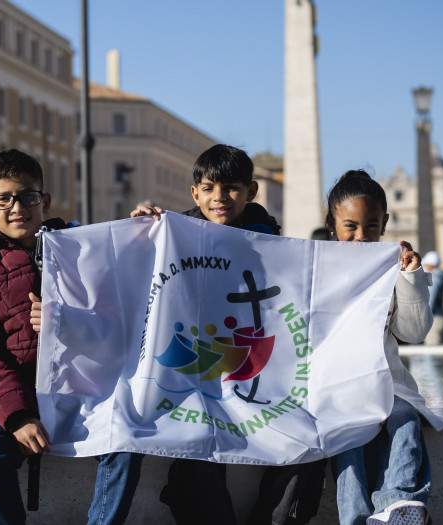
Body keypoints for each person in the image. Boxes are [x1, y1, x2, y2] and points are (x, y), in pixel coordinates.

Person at [129, 144, 325, 525]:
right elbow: (129, 279)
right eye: (209, 187)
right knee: (194, 443)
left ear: (250, 191)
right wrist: (138, 231)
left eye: (232, 188)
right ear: (195, 193)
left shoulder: (277, 247)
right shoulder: (171, 235)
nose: (220, 197)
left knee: (311, 443)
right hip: (198, 381)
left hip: (262, 381)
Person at [0, 150, 143, 525]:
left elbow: (126, 295)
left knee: (126, 442)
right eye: (3, 199)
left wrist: (141, 231)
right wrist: (18, 416)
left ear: (43, 201)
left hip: (87, 396)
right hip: (20, 402)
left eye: (27, 196)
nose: (17, 207)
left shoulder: (83, 248)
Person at [319, 170, 443, 525]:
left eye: (371, 226)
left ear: (385, 223)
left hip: (388, 384)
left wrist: (410, 279)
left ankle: (398, 503)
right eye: (350, 227)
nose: (362, 236)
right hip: (337, 386)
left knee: (404, 418)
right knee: (349, 437)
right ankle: (355, 517)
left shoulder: (396, 268)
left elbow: (415, 331)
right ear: (331, 223)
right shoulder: (316, 267)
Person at [421, 251, 443, 345]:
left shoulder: (434, 279)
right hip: (442, 318)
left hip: (434, 320)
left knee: (432, 355)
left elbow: (429, 302)